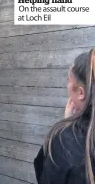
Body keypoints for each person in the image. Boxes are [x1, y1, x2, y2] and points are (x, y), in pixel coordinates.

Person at [34, 49, 95, 184]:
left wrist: (66, 128)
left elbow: (46, 177)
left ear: (80, 92)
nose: (67, 85)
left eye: (69, 80)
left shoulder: (64, 141)